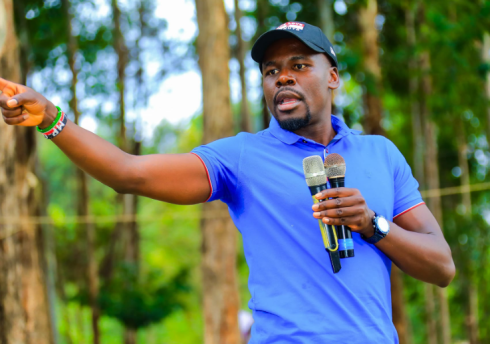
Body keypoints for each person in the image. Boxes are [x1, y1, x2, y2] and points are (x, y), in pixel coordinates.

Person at [0, 21, 454, 343]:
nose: (284, 77)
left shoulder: (381, 154)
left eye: (299, 64)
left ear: (332, 77)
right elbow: (128, 173)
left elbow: (441, 265)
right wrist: (53, 120)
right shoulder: (241, 157)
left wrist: (374, 224)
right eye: (272, 71)